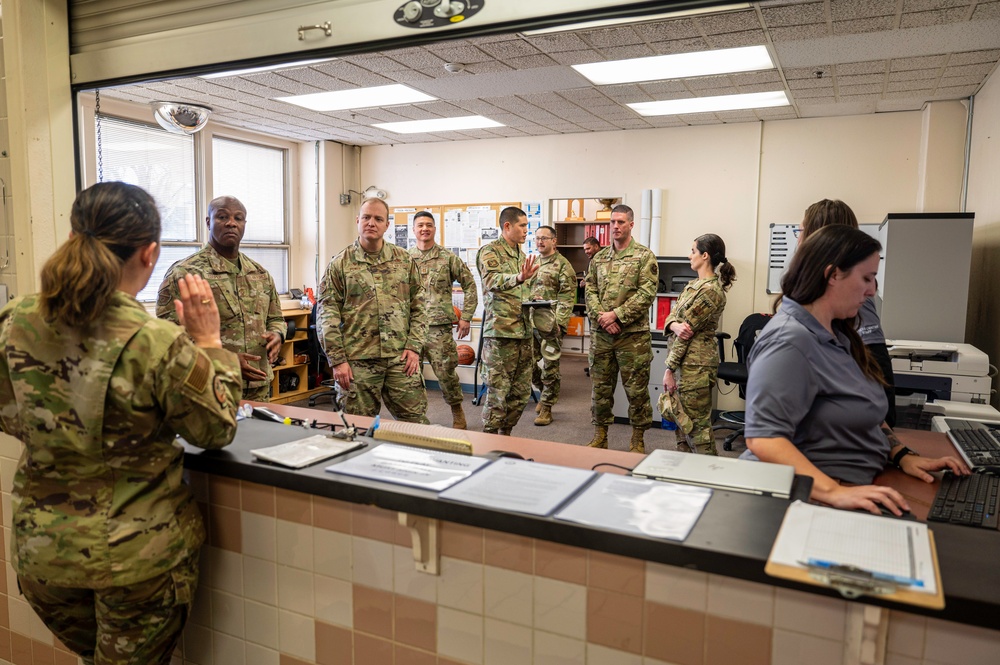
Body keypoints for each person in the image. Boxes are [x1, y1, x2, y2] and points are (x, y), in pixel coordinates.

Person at [0, 182, 242, 664]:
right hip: (135, 560)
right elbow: (214, 430)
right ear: (150, 254)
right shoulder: (156, 340)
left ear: (73, 235)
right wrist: (210, 343)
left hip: (44, 556)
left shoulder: (14, 320)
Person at [743, 225, 967, 514]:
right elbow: (764, 438)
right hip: (808, 498)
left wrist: (902, 455)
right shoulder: (790, 342)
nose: (872, 290)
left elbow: (866, 410)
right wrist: (834, 492)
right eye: (867, 278)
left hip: (853, 482)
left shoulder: (838, 333)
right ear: (833, 274)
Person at [157, 195, 285, 401]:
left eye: (238, 218)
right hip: (210, 385)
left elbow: (276, 318)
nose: (231, 223)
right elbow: (170, 336)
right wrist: (227, 360)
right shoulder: (185, 273)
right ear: (208, 222)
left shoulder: (260, 273)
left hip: (258, 386)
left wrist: (277, 336)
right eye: (222, 217)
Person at [318, 198, 429, 423]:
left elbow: (420, 306)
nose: (371, 223)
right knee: (357, 428)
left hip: (400, 359)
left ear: (387, 225)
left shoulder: (404, 260)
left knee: (416, 425)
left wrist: (414, 346)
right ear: (358, 220)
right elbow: (326, 315)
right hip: (358, 362)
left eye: (378, 219)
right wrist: (337, 360)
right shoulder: (340, 264)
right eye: (366, 217)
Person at [799, 198, 896, 426]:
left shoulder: (851, 295)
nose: (871, 290)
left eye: (802, 230)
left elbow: (875, 366)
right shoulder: (803, 312)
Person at [585, 204, 658, 453]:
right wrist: (603, 318)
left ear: (631, 225)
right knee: (600, 389)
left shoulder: (644, 256)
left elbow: (647, 292)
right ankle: (600, 435)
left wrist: (617, 315)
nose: (615, 226)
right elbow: (590, 290)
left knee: (636, 391)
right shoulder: (599, 257)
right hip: (602, 336)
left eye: (620, 222)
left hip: (632, 338)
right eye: (612, 222)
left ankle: (637, 440)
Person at [662, 234, 736, 455]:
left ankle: (708, 474)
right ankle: (685, 476)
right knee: (681, 421)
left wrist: (669, 369)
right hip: (683, 364)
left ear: (705, 256)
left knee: (697, 428)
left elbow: (686, 333)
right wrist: (673, 325)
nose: (689, 255)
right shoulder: (693, 285)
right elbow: (672, 317)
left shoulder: (711, 291)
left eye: (693, 251)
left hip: (697, 366)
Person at [408, 210, 478, 429]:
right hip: (410, 330)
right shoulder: (404, 259)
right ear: (414, 229)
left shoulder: (448, 258)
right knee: (410, 377)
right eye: (420, 225)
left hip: (438, 329)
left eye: (428, 225)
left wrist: (466, 317)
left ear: (435, 229)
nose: (424, 229)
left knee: (446, 375)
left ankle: (457, 411)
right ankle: (415, 417)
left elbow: (470, 285)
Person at [476, 206, 539, 435]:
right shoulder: (489, 252)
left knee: (520, 393)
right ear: (507, 226)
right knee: (498, 393)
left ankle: (505, 438)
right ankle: (490, 440)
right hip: (500, 335)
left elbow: (523, 292)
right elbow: (492, 280)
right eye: (522, 226)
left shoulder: (521, 256)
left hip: (523, 334)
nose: (526, 231)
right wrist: (519, 277)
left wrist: (535, 297)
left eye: (526, 226)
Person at [528, 225, 576, 426]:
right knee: (526, 363)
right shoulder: (532, 263)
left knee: (550, 367)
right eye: (537, 238)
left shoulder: (563, 265)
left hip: (551, 326)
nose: (540, 242)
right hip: (530, 322)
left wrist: (559, 324)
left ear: (554, 241)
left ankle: (547, 407)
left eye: (544, 238)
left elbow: (567, 297)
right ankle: (542, 390)